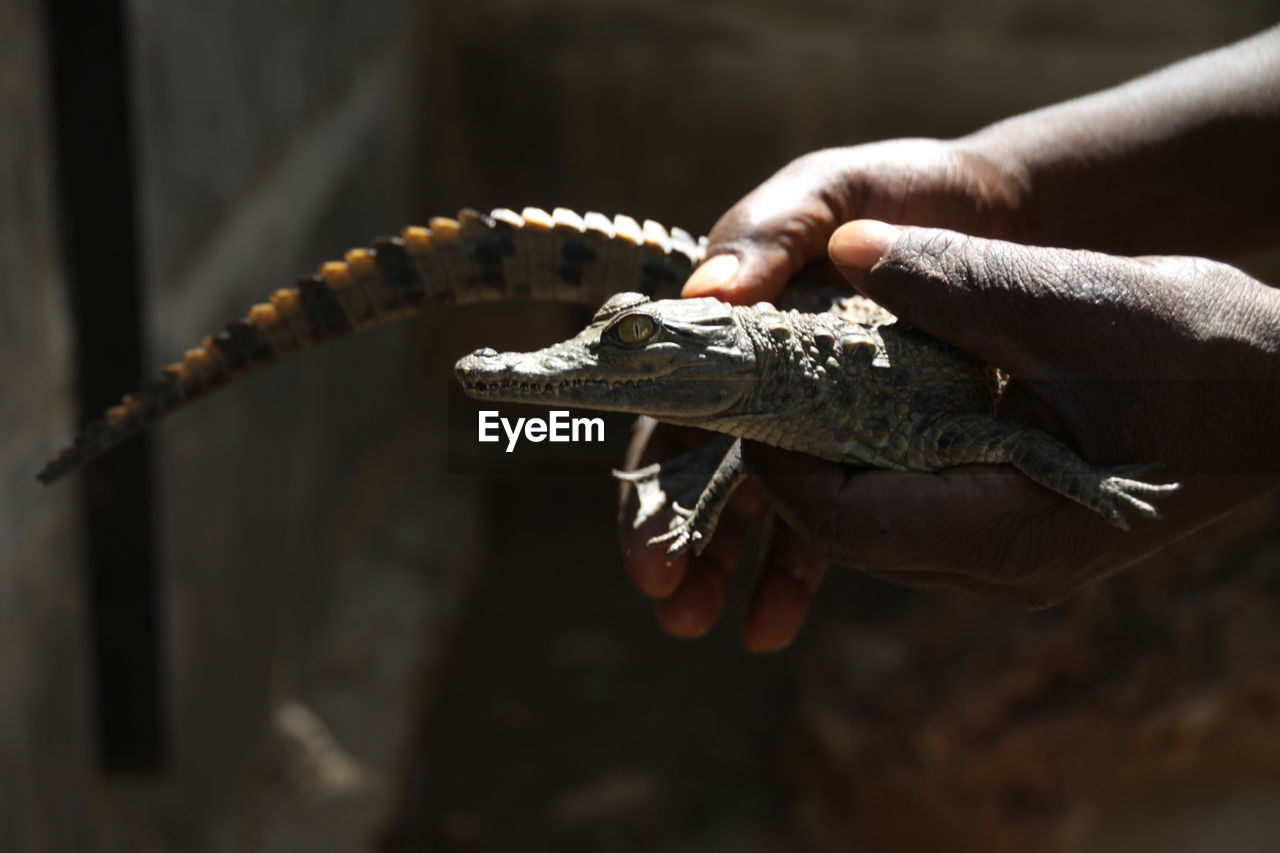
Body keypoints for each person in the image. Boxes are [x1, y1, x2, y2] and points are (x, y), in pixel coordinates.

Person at [619, 26, 1280, 653]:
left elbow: (1015, 439)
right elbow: (750, 442)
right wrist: (1007, 186)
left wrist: (1099, 482)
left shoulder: (927, 430)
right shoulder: (774, 417)